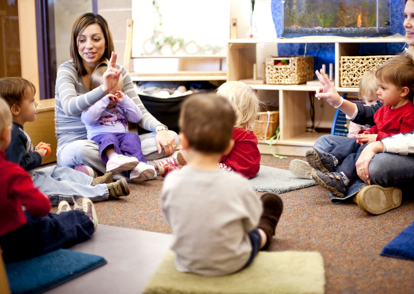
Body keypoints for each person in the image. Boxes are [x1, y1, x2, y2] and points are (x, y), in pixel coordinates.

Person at [310, 0, 414, 215]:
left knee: (379, 165)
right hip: (408, 147)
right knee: (324, 144)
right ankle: (366, 189)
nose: (406, 23)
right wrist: (338, 101)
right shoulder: (413, 53)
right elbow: (383, 107)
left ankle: (354, 188)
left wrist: (377, 145)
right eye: (405, 16)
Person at [160, 93, 283, 276]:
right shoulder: (237, 184)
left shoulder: (172, 181)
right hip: (232, 261)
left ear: (183, 142)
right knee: (255, 235)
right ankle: (267, 226)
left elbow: (171, 216)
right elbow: (248, 222)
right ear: (228, 147)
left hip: (187, 261)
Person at [55, 12, 180, 177]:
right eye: (82, 40)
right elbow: (70, 107)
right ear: (75, 43)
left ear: (106, 42)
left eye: (96, 39)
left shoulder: (119, 72)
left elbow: (139, 111)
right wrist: (103, 89)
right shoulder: (67, 70)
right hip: (79, 145)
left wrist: (160, 128)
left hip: (117, 142)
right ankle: (144, 165)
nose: (88, 45)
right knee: (79, 151)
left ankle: (99, 171)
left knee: (171, 137)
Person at [0, 89, 97, 262]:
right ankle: (83, 220)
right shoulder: (10, 172)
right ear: (6, 135)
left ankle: (60, 216)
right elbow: (41, 207)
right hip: (16, 241)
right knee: (54, 226)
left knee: (31, 216)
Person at [290, 54, 414, 198]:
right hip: (376, 144)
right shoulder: (385, 108)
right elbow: (377, 126)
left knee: (361, 156)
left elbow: (405, 142)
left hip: (389, 152)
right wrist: (368, 134)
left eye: (384, 88)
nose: (378, 92)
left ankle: (340, 180)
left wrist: (376, 138)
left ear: (403, 91)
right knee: (336, 143)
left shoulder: (411, 115)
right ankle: (331, 161)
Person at [0, 77, 129, 205]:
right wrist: (38, 155)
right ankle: (104, 191)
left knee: (58, 171)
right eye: (32, 101)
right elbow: (17, 165)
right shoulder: (13, 134)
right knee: (61, 187)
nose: (37, 103)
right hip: (21, 185)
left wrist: (33, 152)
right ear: (16, 109)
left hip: (28, 176)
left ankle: (91, 182)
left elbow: (16, 156)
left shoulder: (14, 130)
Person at [159, 81, 261, 179]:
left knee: (207, 168)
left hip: (236, 170)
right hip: (251, 168)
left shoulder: (232, 130)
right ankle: (169, 164)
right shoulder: (243, 128)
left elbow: (217, 155)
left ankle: (177, 170)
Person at [81, 62, 156, 183]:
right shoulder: (92, 103)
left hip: (121, 137)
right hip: (100, 138)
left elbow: (136, 117)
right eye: (106, 93)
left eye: (115, 93)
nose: (111, 98)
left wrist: (125, 100)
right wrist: (102, 101)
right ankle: (113, 158)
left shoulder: (120, 104)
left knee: (132, 136)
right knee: (109, 137)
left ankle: (138, 167)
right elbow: (88, 120)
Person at [347, 70, 378, 138]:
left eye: (379, 101)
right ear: (362, 94)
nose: (374, 105)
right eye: (370, 101)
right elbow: (352, 137)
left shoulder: (385, 113)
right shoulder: (360, 114)